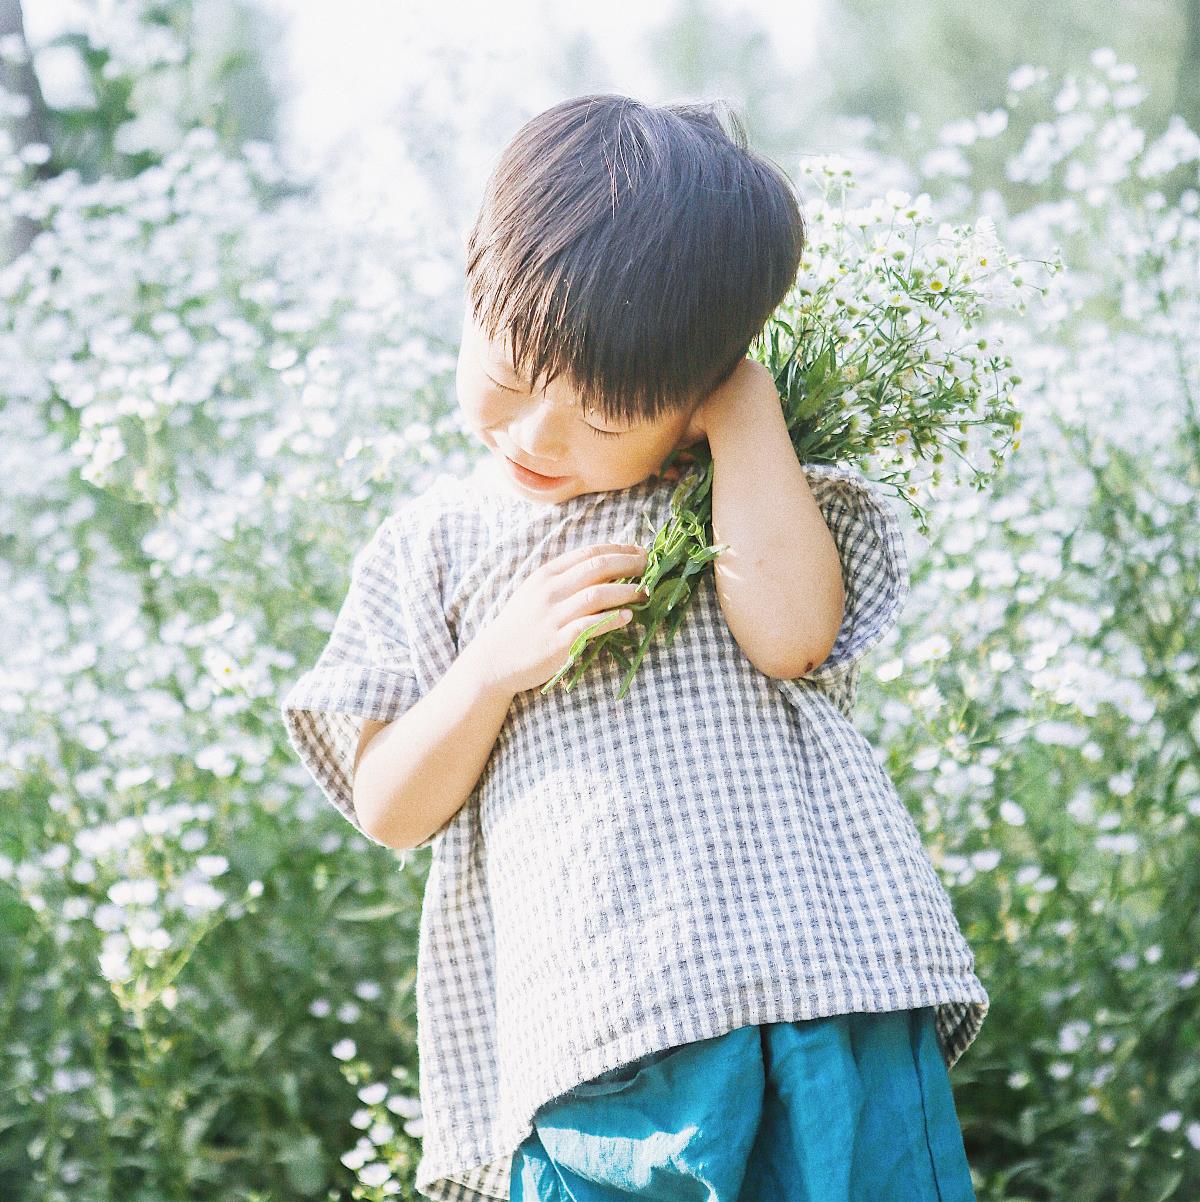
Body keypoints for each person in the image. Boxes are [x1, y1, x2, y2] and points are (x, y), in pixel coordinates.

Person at [281, 93, 989, 1202]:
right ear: (470, 283)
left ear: (690, 396)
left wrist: (744, 405)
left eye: (604, 418)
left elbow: (795, 635)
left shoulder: (741, 492)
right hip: (602, 1043)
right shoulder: (437, 542)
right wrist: (488, 670)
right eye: (509, 378)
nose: (536, 436)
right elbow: (389, 803)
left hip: (825, 987)